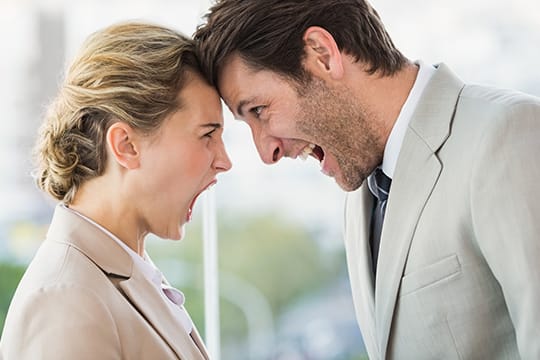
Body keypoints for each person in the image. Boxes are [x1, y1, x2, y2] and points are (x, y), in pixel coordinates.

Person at [193, 0, 540, 358]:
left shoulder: (507, 133)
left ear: (322, 54)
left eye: (259, 111)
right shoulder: (362, 190)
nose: (267, 153)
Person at [0, 21, 231, 360]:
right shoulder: (65, 302)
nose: (224, 161)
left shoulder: (123, 276)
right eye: (207, 135)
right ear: (126, 145)